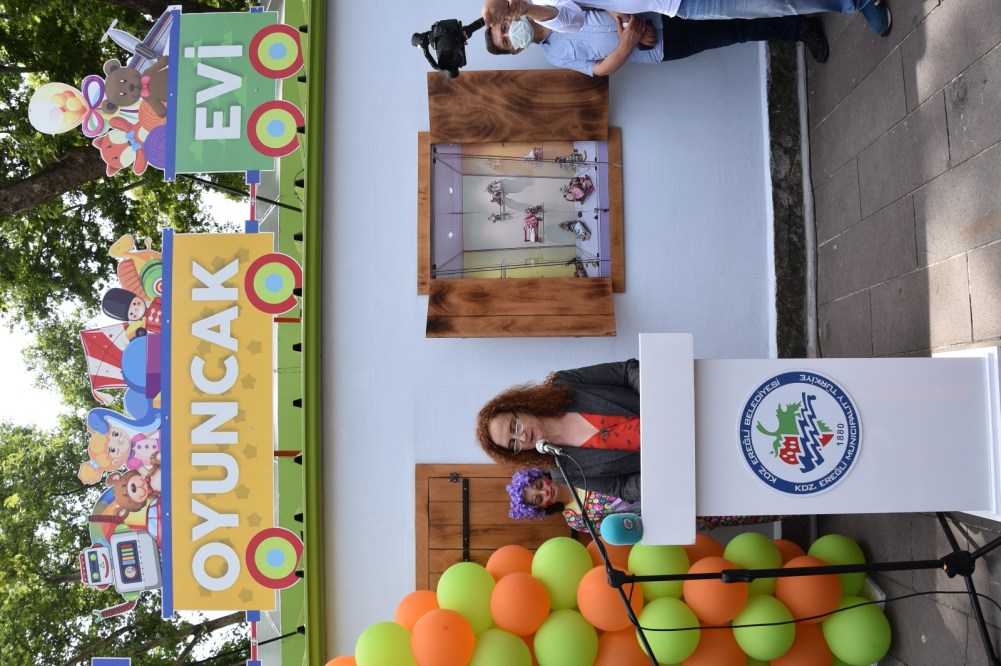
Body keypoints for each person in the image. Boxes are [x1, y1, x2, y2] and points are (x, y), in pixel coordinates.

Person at [485, 8, 833, 77]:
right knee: (735, 32)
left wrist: (630, 22)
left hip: (660, 13)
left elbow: (595, 2)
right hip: (659, 49)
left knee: (731, 7)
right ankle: (799, 29)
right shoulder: (554, 55)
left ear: (509, 15)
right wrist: (630, 42)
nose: (510, 32)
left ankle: (797, 11)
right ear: (515, 50)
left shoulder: (548, 6)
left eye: (504, 27)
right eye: (506, 41)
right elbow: (600, 69)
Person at [476, 359, 644, 499]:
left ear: (518, 407)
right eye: (514, 444)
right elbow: (622, 488)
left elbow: (626, 371)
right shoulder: (561, 471)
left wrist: (652, 396)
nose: (523, 438)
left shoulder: (563, 383)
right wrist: (654, 477)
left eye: (515, 426)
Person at [507, 467, 782, 536]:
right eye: (538, 499)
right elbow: (621, 528)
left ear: (542, 477)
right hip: (666, 512)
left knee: (728, 481)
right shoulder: (574, 519)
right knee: (731, 509)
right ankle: (788, 510)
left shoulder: (573, 468)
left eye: (539, 486)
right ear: (542, 508)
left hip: (661, 477)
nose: (545, 493)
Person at [482, 0, 891, 38]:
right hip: (677, 3)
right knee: (773, 5)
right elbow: (571, 20)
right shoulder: (534, 4)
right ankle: (856, 1)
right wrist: (527, 9)